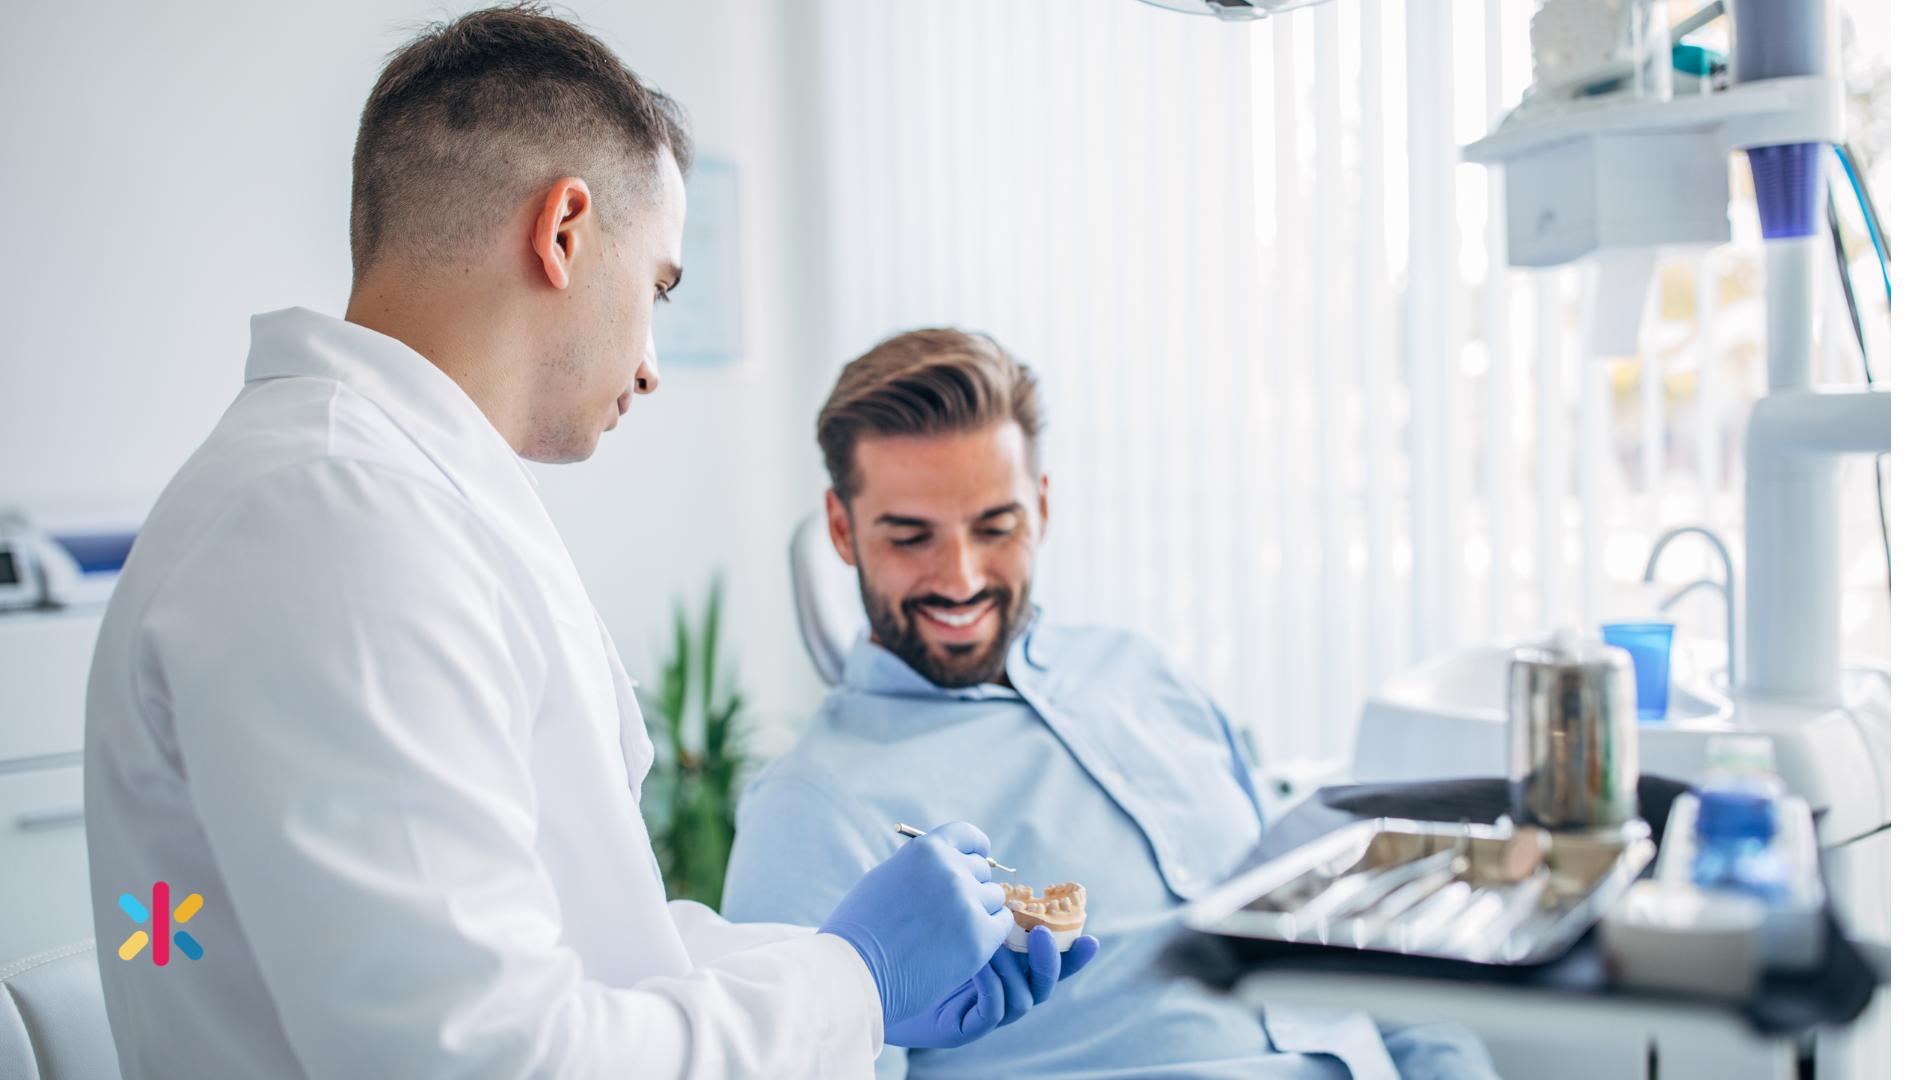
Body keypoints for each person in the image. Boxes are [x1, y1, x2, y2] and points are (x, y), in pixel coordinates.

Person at [84, 10, 1085, 1078]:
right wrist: (857, 978)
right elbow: (485, 1057)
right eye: (658, 286)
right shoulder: (334, 522)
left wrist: (861, 990)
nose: (652, 364)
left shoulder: (396, 500)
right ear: (564, 229)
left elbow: (591, 950)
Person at [722, 329, 1500, 1078]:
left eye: (996, 527)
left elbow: (1333, 926)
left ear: (1044, 508)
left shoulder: (1142, 673)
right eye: (910, 537)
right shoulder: (811, 810)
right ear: (842, 529)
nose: (959, 578)